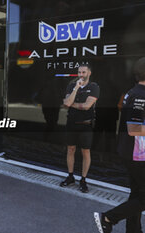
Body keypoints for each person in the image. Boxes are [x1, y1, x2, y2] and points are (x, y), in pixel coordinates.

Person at [94, 57, 145, 233]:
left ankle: (134, 230)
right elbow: (134, 129)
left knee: (138, 193)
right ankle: (108, 218)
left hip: (131, 151)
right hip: (137, 153)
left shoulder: (133, 92)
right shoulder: (140, 95)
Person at [60, 64, 99, 193]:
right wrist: (76, 88)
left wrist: (72, 104)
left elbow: (87, 106)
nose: (81, 75)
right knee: (70, 149)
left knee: (85, 152)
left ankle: (83, 180)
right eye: (79, 72)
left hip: (86, 125)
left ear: (89, 73)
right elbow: (66, 103)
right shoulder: (72, 86)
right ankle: (70, 177)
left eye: (83, 72)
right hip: (71, 123)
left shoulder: (94, 87)